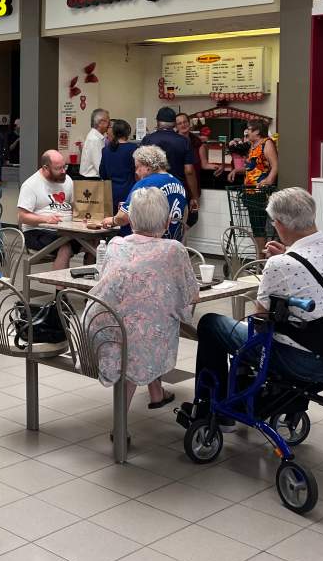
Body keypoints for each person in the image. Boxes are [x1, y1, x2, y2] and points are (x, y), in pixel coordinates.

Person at [192, 188, 323, 417]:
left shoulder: (280, 265)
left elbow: (259, 321)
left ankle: (213, 407)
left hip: (299, 362)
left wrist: (281, 261)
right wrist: (288, 254)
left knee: (210, 323)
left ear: (281, 223)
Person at [92, 187, 198, 411]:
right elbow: (191, 295)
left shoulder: (115, 245)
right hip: (140, 339)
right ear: (168, 221)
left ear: (131, 220)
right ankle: (120, 422)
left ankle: (156, 393)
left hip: (99, 330)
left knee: (143, 313)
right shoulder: (174, 250)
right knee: (152, 320)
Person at [102, 145, 188, 240]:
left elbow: (123, 217)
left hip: (152, 244)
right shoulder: (177, 182)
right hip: (173, 242)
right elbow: (185, 211)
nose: (136, 172)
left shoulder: (146, 183)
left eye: (137, 167)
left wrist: (112, 220)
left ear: (147, 166)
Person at [17, 150, 77, 270]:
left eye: (64, 167)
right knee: (64, 246)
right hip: (37, 231)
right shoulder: (31, 185)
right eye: (58, 168)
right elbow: (22, 216)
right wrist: (45, 219)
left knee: (94, 242)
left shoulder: (67, 180)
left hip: (66, 230)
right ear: (45, 168)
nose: (63, 171)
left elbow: (74, 206)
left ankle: (89, 285)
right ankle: (60, 289)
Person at [229, 119, 279, 255]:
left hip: (260, 191)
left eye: (249, 129)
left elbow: (275, 165)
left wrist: (269, 180)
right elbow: (252, 168)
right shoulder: (252, 146)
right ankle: (260, 255)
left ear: (257, 131)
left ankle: (261, 257)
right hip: (250, 191)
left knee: (258, 225)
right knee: (256, 225)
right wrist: (237, 171)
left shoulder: (266, 143)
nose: (247, 132)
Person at [141, 107, 199, 221]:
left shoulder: (147, 140)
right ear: (174, 123)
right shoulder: (184, 141)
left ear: (157, 122)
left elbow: (140, 168)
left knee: (153, 227)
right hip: (176, 190)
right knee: (178, 227)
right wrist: (194, 197)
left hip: (152, 191)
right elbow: (189, 171)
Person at [99, 118, 138, 209]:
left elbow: (102, 174)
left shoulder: (106, 150)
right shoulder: (133, 149)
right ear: (127, 133)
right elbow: (137, 172)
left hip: (111, 193)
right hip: (129, 192)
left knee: (112, 221)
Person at [79, 108, 110, 179]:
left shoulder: (96, 137)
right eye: (108, 121)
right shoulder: (94, 139)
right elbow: (100, 167)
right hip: (92, 180)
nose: (109, 125)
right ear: (100, 123)